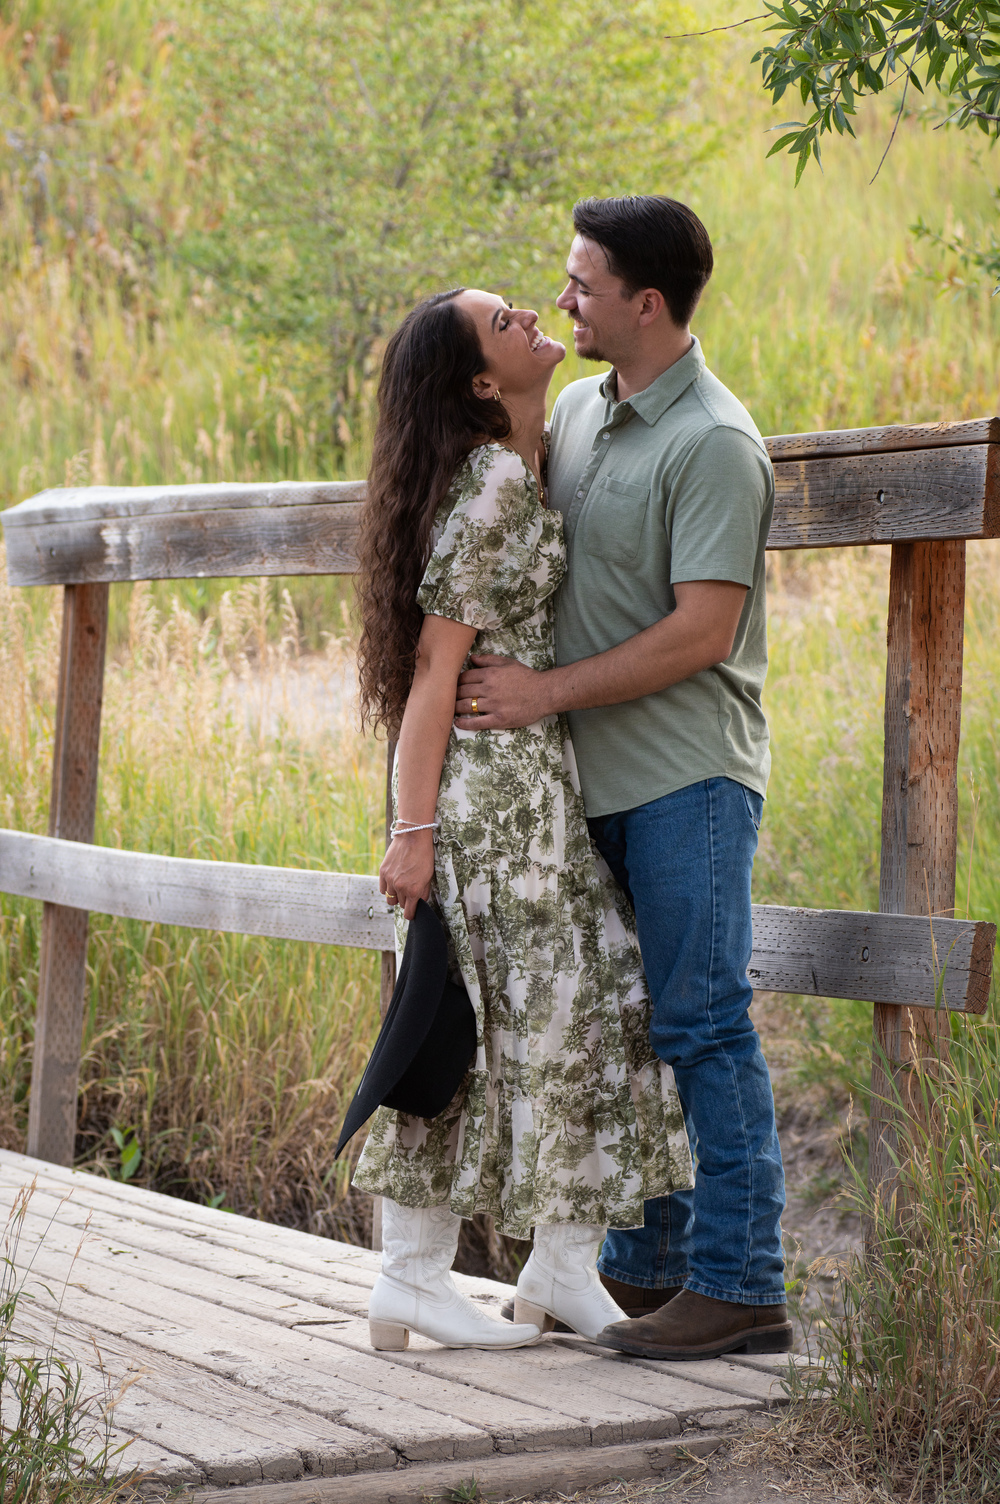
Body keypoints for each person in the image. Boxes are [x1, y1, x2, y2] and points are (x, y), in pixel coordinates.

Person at [454, 195, 792, 1361]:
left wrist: (539, 694)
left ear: (646, 303)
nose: (563, 299)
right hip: (588, 784)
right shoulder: (585, 410)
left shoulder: (714, 443)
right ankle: (643, 1272)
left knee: (701, 1023)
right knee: (627, 1027)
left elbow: (702, 631)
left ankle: (741, 1284)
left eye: (582, 284)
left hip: (687, 778)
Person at [351, 286, 693, 1353]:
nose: (531, 318)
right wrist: (412, 834)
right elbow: (432, 671)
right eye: (504, 323)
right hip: (488, 805)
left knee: (585, 1010)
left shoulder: (530, 458)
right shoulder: (495, 481)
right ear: (480, 382)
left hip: (534, 793)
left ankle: (559, 1270)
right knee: (472, 1023)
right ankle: (412, 1276)